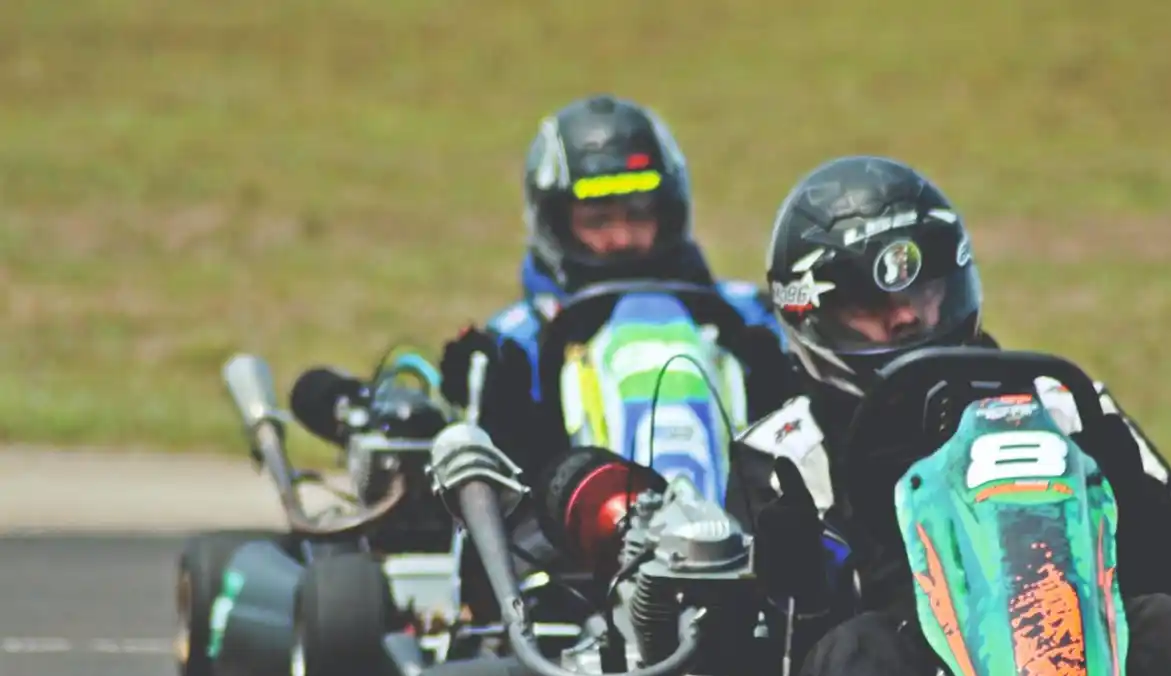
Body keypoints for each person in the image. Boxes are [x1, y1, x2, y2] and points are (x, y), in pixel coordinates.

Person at [729, 155, 1171, 676]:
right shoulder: (788, 445)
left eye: (920, 296)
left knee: (1162, 623)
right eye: (877, 306)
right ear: (817, 314)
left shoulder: (1062, 401)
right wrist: (791, 559)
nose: (905, 320)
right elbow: (774, 628)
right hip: (914, 665)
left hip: (1071, 649)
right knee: (851, 652)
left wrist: (1119, 477)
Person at [289, 94, 793, 475]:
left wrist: (773, 371)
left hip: (754, 546)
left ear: (670, 211)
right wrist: (491, 405)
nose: (621, 237)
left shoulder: (749, 315)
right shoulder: (517, 338)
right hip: (573, 570)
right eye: (598, 219)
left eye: (639, 213)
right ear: (556, 223)